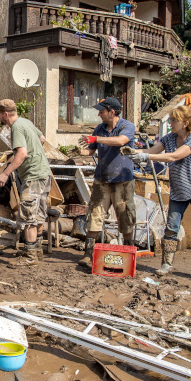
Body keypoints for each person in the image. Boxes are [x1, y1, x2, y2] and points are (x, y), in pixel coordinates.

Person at [127, 105, 191, 284]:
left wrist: (146, 158)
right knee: (171, 227)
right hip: (178, 190)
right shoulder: (169, 138)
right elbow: (151, 152)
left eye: (174, 120)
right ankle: (167, 264)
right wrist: (134, 153)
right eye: (170, 120)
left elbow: (174, 156)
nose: (170, 123)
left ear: (185, 123)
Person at [75, 97, 137, 268]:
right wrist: (79, 151)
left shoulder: (127, 126)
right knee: (94, 214)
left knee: (125, 215)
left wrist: (95, 139)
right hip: (102, 179)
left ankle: (129, 253)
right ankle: (88, 254)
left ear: (112, 112)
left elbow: (121, 141)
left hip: (122, 180)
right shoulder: (100, 128)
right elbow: (91, 151)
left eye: (102, 111)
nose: (99, 114)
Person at [0, 99, 52, 267]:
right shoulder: (26, 122)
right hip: (43, 173)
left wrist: (6, 173)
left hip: (32, 176)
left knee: (27, 217)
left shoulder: (16, 127)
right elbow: (42, 138)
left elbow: (22, 153)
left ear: (5, 114)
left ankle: (29, 257)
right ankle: (36, 250)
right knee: (39, 214)